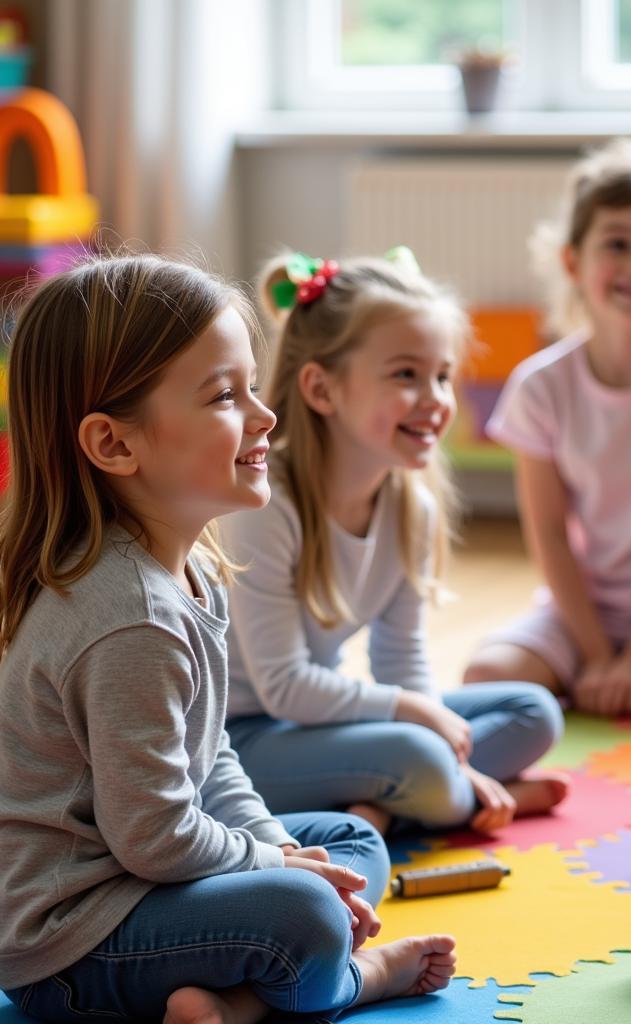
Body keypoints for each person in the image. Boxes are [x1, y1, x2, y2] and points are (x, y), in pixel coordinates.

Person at [0, 255, 456, 1024]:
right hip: (72, 942)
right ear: (114, 445)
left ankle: (233, 1001)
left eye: (252, 385)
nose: (264, 413)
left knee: (346, 841)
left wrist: (281, 847)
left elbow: (209, 755)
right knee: (305, 916)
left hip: (142, 881)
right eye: (223, 394)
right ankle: (356, 978)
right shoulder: (129, 615)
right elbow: (157, 837)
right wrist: (280, 869)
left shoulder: (188, 570)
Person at [222, 251, 567, 839]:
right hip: (241, 740)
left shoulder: (411, 507)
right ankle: (432, 796)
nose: (435, 398)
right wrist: (418, 721)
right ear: (322, 389)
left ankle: (394, 805)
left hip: (312, 725)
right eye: (406, 375)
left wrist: (430, 724)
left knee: (535, 713)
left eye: (442, 375)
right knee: (418, 755)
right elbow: (283, 686)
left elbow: (401, 661)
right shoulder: (266, 502)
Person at [463, 137, 631, 719]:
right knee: (484, 677)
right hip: (580, 607)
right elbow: (549, 536)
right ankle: (616, 672)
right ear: (573, 261)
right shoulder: (540, 385)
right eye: (618, 244)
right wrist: (594, 653)